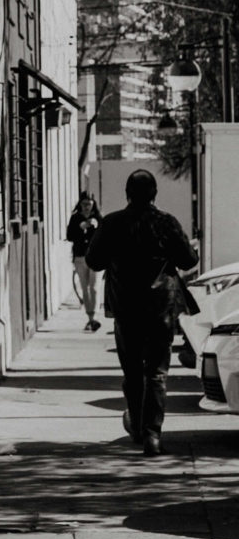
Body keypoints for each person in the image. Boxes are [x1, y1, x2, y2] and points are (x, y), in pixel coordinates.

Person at [85, 169, 198, 456]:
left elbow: (94, 261)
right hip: (161, 307)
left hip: (125, 308)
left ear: (127, 194)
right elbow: (188, 260)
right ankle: (152, 436)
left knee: (133, 372)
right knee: (157, 373)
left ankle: (136, 427)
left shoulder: (112, 223)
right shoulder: (166, 223)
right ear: (154, 194)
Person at [66, 192, 102, 332]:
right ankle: (90, 318)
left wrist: (96, 227)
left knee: (94, 287)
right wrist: (80, 228)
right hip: (80, 257)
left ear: (93, 205)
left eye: (89, 204)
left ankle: (95, 316)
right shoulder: (75, 218)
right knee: (85, 288)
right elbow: (69, 236)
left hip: (96, 257)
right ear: (80, 205)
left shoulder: (98, 218)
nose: (87, 207)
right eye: (84, 204)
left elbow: (104, 237)